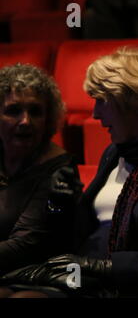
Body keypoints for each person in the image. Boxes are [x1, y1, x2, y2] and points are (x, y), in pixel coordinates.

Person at [0, 47, 138, 298]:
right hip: (81, 279)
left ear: (130, 102)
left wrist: (105, 267)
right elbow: (81, 233)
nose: (95, 114)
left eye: (101, 101)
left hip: (129, 285)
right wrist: (58, 204)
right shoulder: (114, 152)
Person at [0, 64, 80, 276]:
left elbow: (25, 246)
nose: (25, 121)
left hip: (38, 275)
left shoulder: (60, 170)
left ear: (48, 119)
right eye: (13, 111)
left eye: (35, 112)